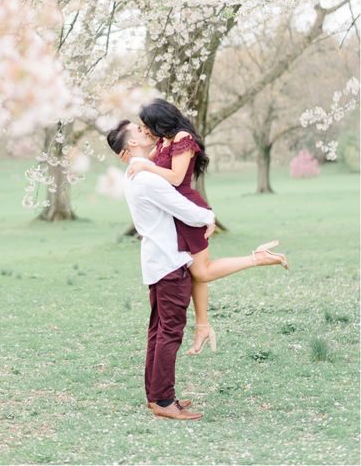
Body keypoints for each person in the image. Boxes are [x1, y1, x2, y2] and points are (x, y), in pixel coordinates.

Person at [125, 98, 288, 356]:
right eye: (142, 128)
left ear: (160, 120)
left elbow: (177, 177)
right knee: (192, 272)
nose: (144, 130)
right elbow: (148, 163)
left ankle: (257, 258)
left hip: (188, 210)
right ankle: (202, 327)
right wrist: (135, 157)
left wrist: (145, 165)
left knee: (201, 272)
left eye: (146, 126)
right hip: (173, 211)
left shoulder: (183, 138)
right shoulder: (164, 140)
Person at [107, 120, 215, 420]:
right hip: (168, 262)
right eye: (138, 131)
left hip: (156, 261)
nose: (145, 132)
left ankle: (156, 395)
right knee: (169, 331)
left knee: (158, 330)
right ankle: (165, 401)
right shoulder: (146, 178)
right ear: (130, 145)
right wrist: (209, 216)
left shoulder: (135, 174)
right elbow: (184, 209)